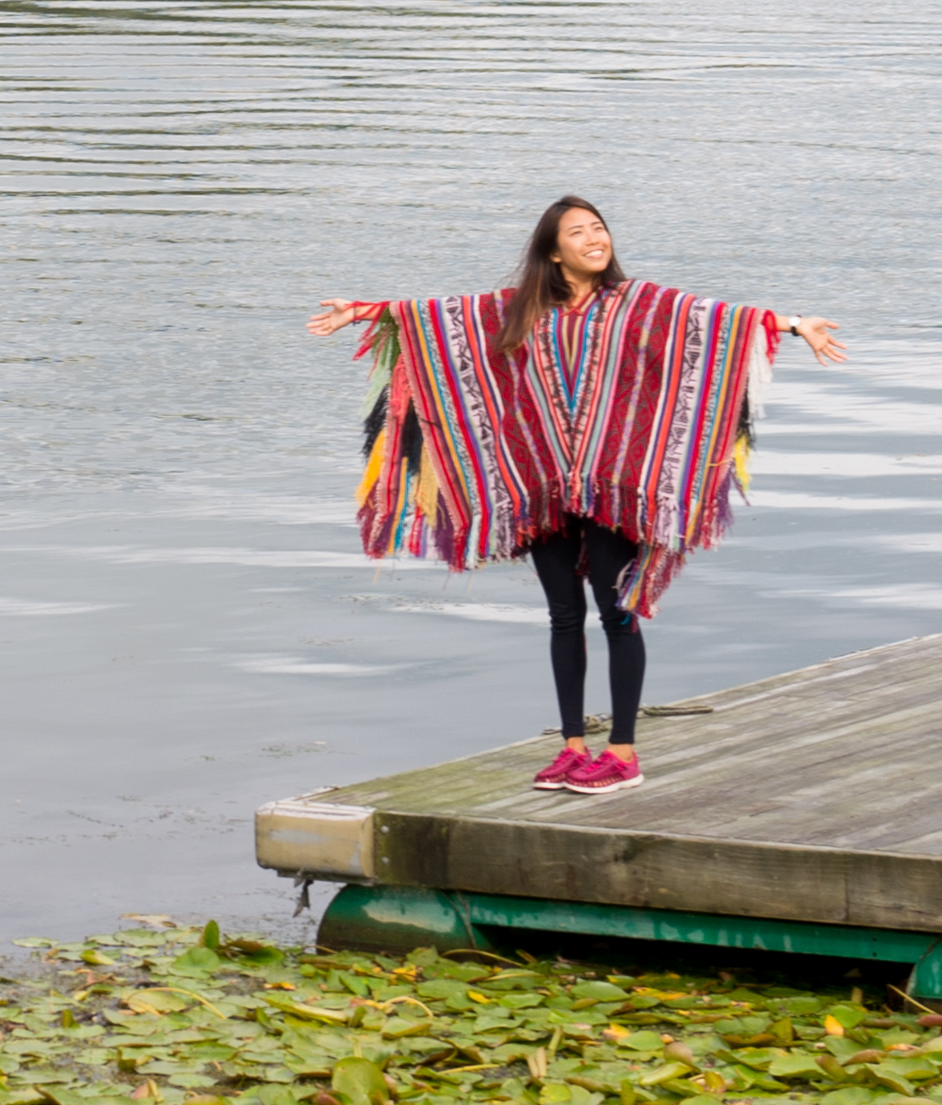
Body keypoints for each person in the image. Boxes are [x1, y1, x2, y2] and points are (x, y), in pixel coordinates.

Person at [314, 194, 847, 793]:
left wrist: (796, 325)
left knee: (616, 612)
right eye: (579, 232)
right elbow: (444, 319)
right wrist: (362, 312)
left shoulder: (638, 303)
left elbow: (714, 319)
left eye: (600, 228)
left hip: (612, 481)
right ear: (553, 249)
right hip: (544, 481)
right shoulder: (518, 309)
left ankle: (622, 753)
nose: (596, 239)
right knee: (563, 615)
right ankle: (572, 745)